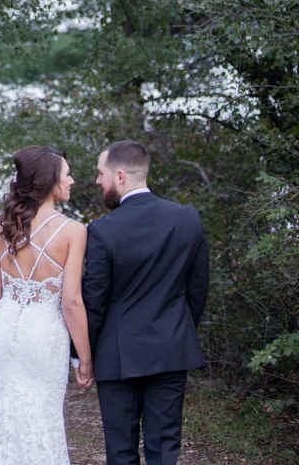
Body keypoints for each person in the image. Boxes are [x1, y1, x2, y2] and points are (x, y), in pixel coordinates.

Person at [0, 146, 93, 465]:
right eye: (67, 174)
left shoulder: (1, 226)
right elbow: (72, 302)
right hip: (43, 336)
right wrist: (85, 358)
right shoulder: (74, 232)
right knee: (42, 419)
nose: (71, 180)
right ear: (50, 181)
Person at [83, 139, 209, 465]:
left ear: (120, 176)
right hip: (170, 348)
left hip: (116, 355)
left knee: (121, 451)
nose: (98, 181)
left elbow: (95, 300)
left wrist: (83, 353)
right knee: (164, 448)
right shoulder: (187, 219)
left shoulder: (102, 230)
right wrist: (177, 329)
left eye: (101, 174)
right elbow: (198, 289)